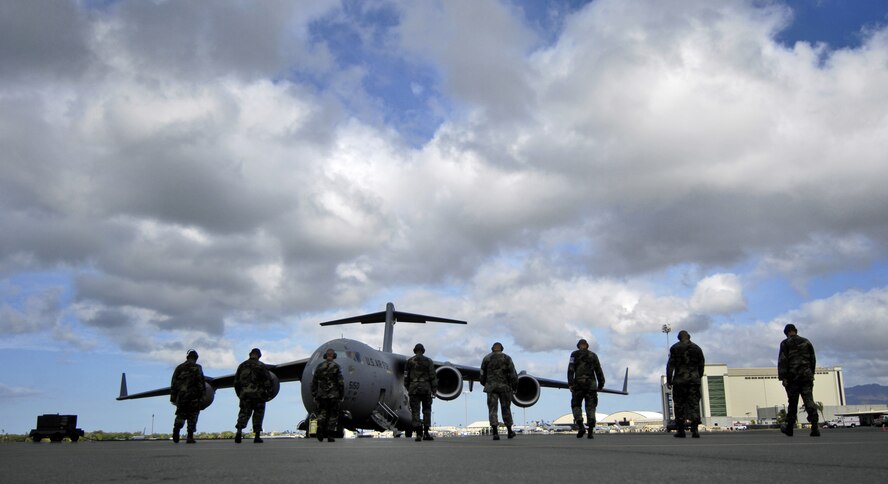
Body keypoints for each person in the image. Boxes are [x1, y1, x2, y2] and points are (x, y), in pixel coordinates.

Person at [778, 323, 819, 437]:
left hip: (793, 378)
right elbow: (813, 359)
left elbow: (783, 361)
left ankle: (790, 428)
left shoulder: (785, 343)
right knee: (809, 401)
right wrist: (811, 374)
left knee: (792, 403)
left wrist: (783, 378)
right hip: (807, 377)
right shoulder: (806, 342)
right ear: (796, 330)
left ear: (786, 333)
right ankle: (815, 427)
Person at [666, 330, 705, 438]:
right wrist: (698, 377)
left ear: (679, 338)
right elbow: (701, 365)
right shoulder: (697, 348)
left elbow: (670, 366)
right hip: (694, 381)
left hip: (680, 381)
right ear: (689, 337)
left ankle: (681, 430)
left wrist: (669, 380)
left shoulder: (675, 348)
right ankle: (695, 429)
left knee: (679, 405)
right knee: (694, 405)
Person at [567, 338, 605, 439]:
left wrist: (570, 383)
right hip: (591, 386)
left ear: (579, 346)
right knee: (591, 408)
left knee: (576, 406)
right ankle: (590, 431)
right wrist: (601, 384)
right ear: (587, 345)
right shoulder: (593, 356)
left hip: (578, 385)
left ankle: (581, 426)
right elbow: (599, 371)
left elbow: (570, 370)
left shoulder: (574, 355)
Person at [234, 348, 273, 444]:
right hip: (258, 395)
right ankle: (257, 436)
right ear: (259, 356)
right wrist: (268, 393)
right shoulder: (261, 366)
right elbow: (268, 381)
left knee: (243, 413)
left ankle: (239, 432)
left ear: (250, 354)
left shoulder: (242, 366)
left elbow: (236, 382)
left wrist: (240, 394)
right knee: (258, 414)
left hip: (245, 395)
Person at [480, 342, 518, 440]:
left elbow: (482, 374)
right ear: (502, 348)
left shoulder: (486, 358)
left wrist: (486, 384)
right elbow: (513, 374)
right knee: (506, 409)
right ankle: (509, 432)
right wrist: (514, 386)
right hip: (505, 387)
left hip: (491, 388)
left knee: (492, 410)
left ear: (492, 349)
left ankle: (495, 433)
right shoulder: (507, 358)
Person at [170, 349, 206, 444]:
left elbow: (173, 383)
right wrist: (202, 396)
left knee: (181, 414)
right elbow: (200, 382)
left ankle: (176, 429)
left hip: (181, 397)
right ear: (196, 358)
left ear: (187, 357)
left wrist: (173, 397)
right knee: (192, 416)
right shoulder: (197, 368)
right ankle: (190, 437)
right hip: (193, 397)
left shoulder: (179, 368)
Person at [404, 343, 438, 442]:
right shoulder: (428, 361)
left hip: (413, 389)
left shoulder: (409, 362)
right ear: (423, 351)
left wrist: (408, 388)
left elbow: (406, 377)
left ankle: (418, 434)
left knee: (415, 411)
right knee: (427, 410)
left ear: (414, 351)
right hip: (426, 388)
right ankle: (426, 433)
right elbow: (433, 376)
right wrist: (434, 389)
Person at [311, 348, 344, 442]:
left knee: (322, 413)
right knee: (333, 415)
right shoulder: (337, 367)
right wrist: (341, 395)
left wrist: (314, 394)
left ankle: (320, 429)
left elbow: (314, 382)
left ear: (325, 356)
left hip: (322, 395)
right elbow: (340, 382)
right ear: (334, 356)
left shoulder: (319, 367)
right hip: (334, 396)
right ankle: (330, 435)